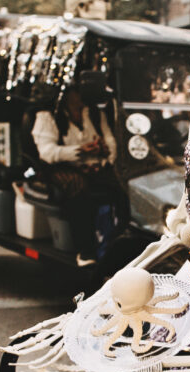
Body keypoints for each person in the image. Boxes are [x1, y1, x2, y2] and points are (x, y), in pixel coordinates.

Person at [32, 84, 124, 266]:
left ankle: (116, 244)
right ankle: (85, 251)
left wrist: (105, 155)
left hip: (95, 166)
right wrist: (79, 151)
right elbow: (47, 152)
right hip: (62, 168)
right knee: (78, 187)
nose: (82, 95)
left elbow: (110, 141)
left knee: (121, 187)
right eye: (77, 91)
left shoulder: (95, 114)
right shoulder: (49, 117)